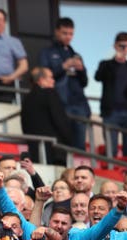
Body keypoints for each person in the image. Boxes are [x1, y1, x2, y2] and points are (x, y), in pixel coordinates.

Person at [39, 17, 91, 151]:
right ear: (57, 32)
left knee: (80, 146)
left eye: (71, 33)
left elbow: (84, 83)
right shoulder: (47, 52)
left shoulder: (76, 55)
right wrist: (64, 66)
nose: (68, 36)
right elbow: (43, 77)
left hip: (79, 104)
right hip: (60, 103)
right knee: (63, 142)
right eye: (64, 33)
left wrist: (81, 70)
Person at [20, 67, 72, 165]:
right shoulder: (50, 93)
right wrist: (69, 139)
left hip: (34, 149)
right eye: (50, 77)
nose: (53, 81)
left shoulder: (27, 98)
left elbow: (24, 124)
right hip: (54, 150)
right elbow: (60, 120)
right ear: (41, 80)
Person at [95, 32, 127, 157]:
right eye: (121, 46)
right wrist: (115, 59)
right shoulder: (106, 64)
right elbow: (98, 77)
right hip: (111, 113)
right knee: (112, 150)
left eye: (126, 46)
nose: (124, 49)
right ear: (115, 46)